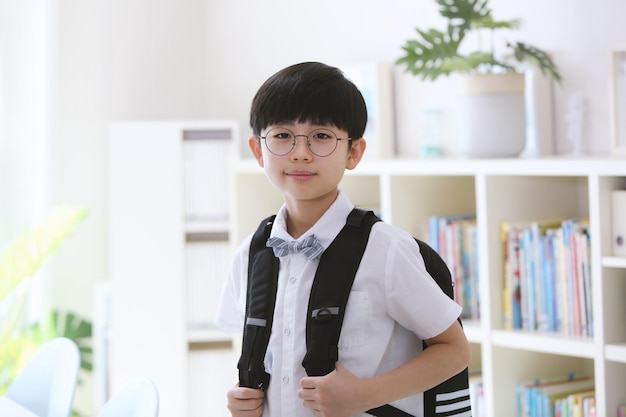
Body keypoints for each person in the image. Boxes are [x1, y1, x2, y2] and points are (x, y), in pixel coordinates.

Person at [216, 61, 471, 417]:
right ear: (258, 150)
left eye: (321, 136)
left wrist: (364, 395)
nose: (300, 152)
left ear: (354, 152)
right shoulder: (251, 254)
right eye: (282, 135)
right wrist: (243, 399)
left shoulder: (385, 249)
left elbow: (455, 350)